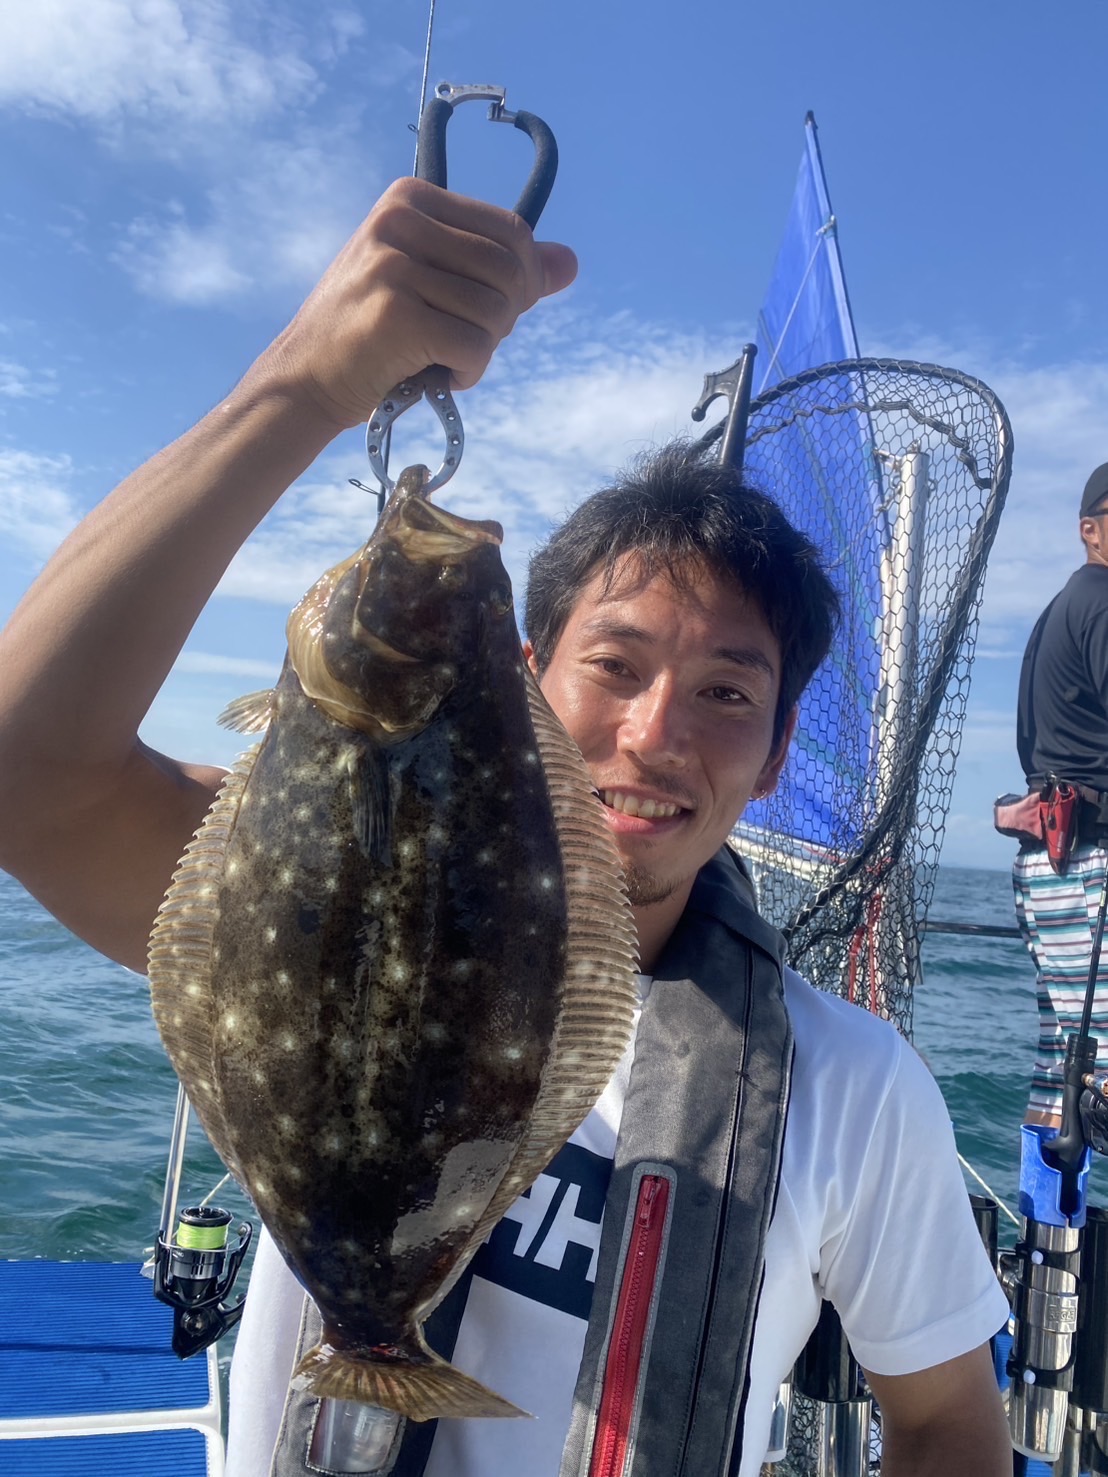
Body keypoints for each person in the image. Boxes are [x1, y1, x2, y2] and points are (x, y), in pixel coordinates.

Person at [0, 177, 1010, 1476]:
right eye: (616, 666)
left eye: (725, 694)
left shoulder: (858, 1093)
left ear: (774, 757)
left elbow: (947, 1422)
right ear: (523, 683)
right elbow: (24, 770)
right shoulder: (311, 894)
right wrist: (304, 386)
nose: (654, 734)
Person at [1012, 462, 1108, 1126]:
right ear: (1088, 530)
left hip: (1050, 867)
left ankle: (1047, 1198)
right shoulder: (1101, 601)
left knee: (1064, 1077)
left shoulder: (1061, 607)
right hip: (1089, 866)